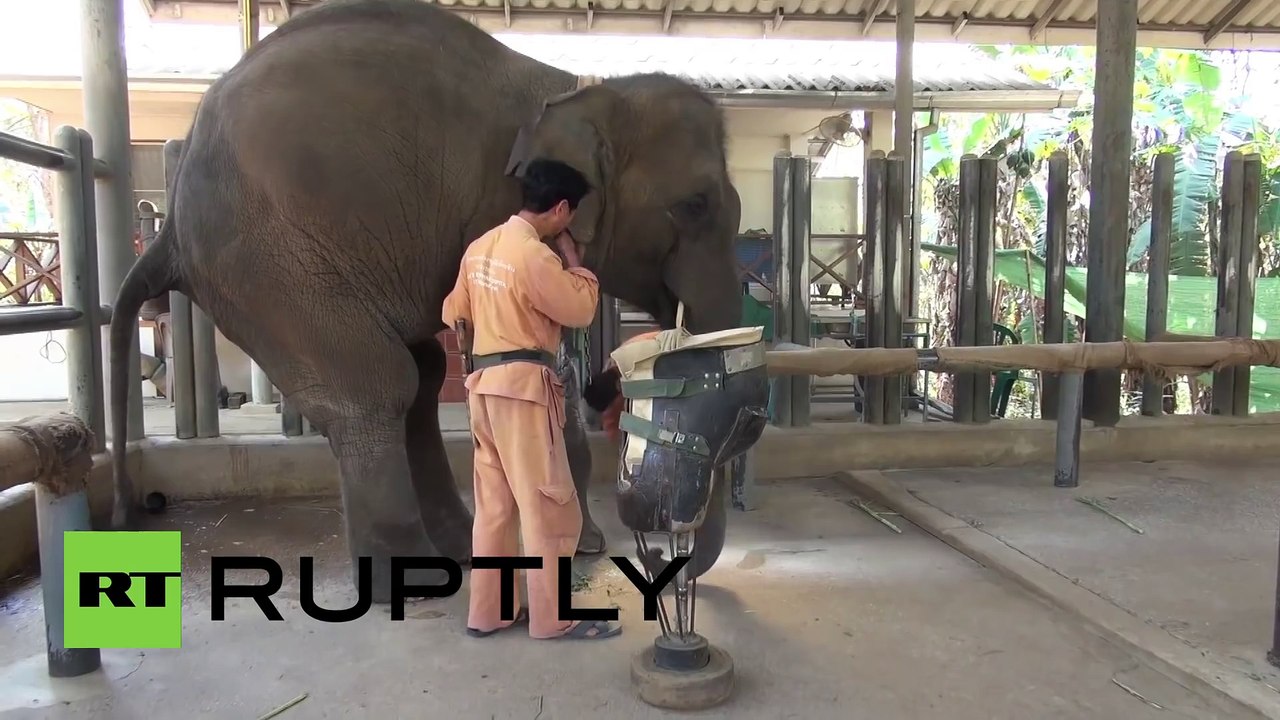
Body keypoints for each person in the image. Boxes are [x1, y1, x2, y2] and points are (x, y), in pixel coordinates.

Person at [442, 158, 622, 641]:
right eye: (571, 214)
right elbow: (580, 310)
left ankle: (491, 612)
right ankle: (553, 617)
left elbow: (454, 311)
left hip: (482, 388)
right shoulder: (534, 256)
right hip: (523, 390)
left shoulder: (480, 248)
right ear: (561, 208)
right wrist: (577, 266)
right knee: (549, 505)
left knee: (495, 508)